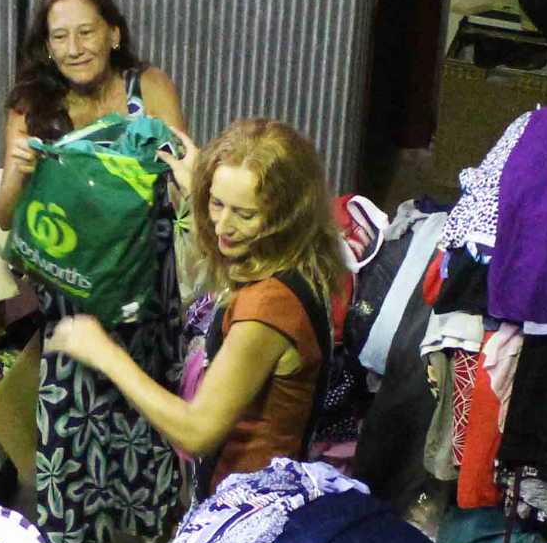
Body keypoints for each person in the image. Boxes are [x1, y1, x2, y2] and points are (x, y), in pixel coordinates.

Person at [0, 0, 191, 543]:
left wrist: (178, 166)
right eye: (60, 36)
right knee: (73, 420)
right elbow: (5, 216)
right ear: (45, 47)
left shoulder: (148, 89)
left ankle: (157, 535)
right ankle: (81, 542)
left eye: (86, 31)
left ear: (113, 33)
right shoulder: (32, 108)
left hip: (145, 291)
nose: (75, 47)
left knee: (146, 409)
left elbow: (189, 181)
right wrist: (20, 174)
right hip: (72, 299)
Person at [48, 117, 348, 489]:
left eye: (245, 213)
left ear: (287, 217)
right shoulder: (296, 261)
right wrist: (198, 187)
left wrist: (104, 354)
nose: (222, 226)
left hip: (248, 503)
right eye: (217, 203)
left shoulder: (268, 309)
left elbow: (196, 431)